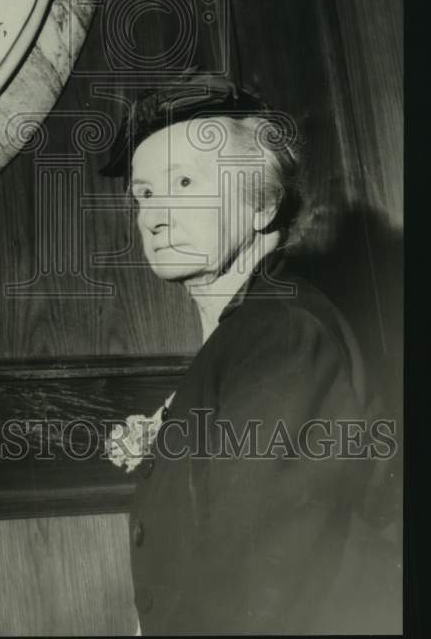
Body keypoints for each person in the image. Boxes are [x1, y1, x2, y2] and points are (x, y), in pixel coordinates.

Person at [101, 75, 400, 635]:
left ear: (262, 203)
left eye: (184, 182)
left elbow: (251, 588)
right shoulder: (251, 333)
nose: (153, 216)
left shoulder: (283, 335)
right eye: (142, 194)